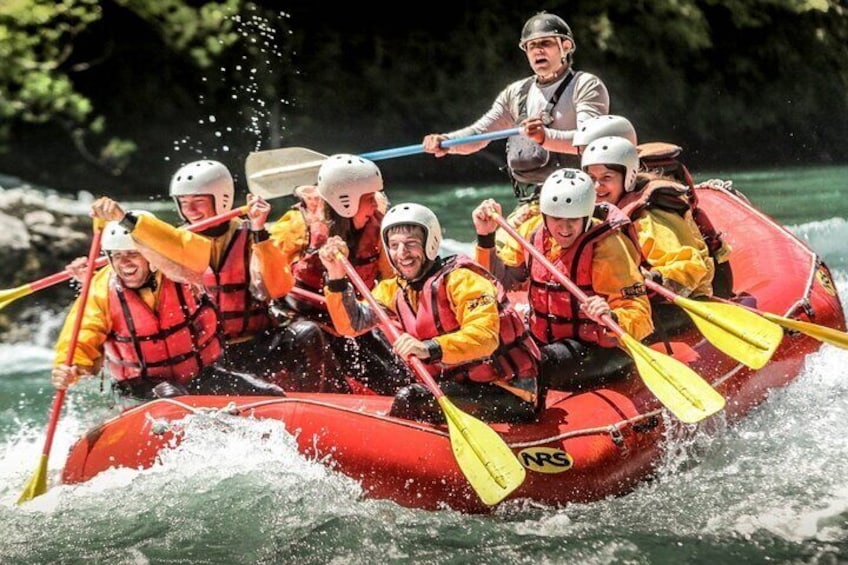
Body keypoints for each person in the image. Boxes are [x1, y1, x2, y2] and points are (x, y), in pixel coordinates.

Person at [91, 160, 333, 392]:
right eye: (183, 202)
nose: (190, 210)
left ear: (223, 199)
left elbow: (276, 288)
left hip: (256, 342)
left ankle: (310, 403)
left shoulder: (252, 234)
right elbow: (130, 279)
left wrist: (259, 231)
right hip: (210, 356)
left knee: (307, 333)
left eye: (198, 201)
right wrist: (87, 276)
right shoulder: (172, 245)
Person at [318, 202, 542, 423]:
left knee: (412, 399)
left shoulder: (463, 280)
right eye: (394, 245)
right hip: (458, 386)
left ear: (430, 243)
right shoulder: (393, 289)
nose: (402, 253)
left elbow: (486, 338)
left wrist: (428, 348)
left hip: (507, 391)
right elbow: (352, 325)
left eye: (411, 244)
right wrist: (336, 279)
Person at [51, 215, 285, 401]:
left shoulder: (179, 273)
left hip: (198, 375)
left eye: (133, 254)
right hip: (138, 388)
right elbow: (81, 334)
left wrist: (125, 218)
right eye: (117, 256)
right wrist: (69, 367)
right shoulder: (100, 290)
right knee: (171, 395)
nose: (124, 263)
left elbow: (193, 250)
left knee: (267, 394)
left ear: (152, 257)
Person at [472, 169, 653, 391]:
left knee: (524, 363)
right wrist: (486, 236)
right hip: (542, 338)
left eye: (573, 220)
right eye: (557, 218)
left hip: (594, 349)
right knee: (482, 353)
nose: (564, 229)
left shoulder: (608, 248)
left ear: (586, 217)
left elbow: (640, 313)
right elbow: (500, 282)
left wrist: (611, 315)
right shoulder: (530, 231)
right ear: (544, 215)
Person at [422, 11, 609, 202]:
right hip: (538, 197)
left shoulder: (585, 84)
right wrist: (446, 142)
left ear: (566, 46)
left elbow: (590, 143)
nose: (538, 51)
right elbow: (480, 133)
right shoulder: (516, 92)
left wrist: (544, 137)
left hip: (581, 193)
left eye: (546, 43)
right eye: (531, 46)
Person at [268, 154, 406, 394]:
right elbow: (263, 275)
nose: (376, 204)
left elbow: (390, 281)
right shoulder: (298, 225)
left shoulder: (379, 227)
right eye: (369, 198)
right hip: (301, 321)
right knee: (326, 367)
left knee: (397, 379)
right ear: (345, 201)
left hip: (350, 320)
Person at [580, 136, 728, 334]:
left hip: (675, 304)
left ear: (629, 178)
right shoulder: (593, 214)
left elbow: (691, 267)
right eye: (592, 179)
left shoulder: (648, 219)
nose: (597, 187)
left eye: (606, 178)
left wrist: (653, 279)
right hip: (626, 300)